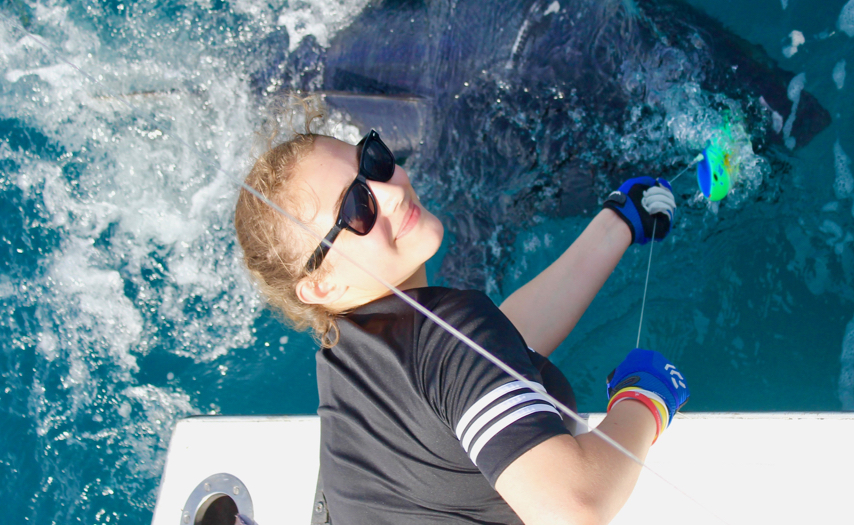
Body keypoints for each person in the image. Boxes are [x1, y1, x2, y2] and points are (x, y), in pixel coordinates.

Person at [234, 117, 689, 525]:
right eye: (356, 209)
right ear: (321, 286)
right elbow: (574, 508)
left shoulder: (347, 354)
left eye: (372, 161)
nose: (391, 191)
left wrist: (617, 224)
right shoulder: (441, 334)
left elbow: (494, 351)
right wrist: (644, 401)